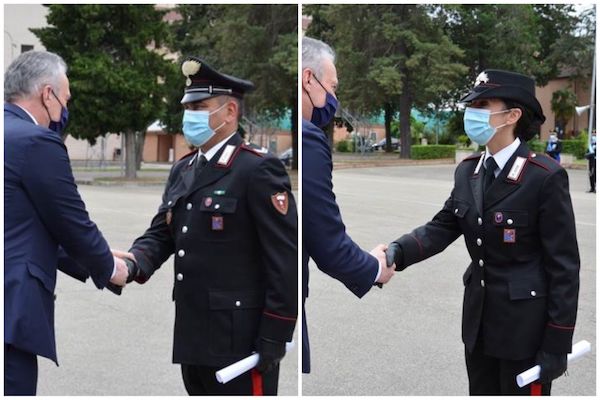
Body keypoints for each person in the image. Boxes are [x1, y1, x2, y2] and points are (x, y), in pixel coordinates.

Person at [386, 69, 580, 395]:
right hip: (479, 328)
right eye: (472, 105)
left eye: (483, 105)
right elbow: (442, 226)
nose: (471, 113)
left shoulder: (543, 177)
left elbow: (564, 268)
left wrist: (557, 343)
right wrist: (397, 251)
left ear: (513, 115)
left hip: (525, 334)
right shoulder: (469, 171)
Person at [113, 56, 297, 395]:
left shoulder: (257, 169)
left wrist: (276, 334)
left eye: (199, 107)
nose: (190, 115)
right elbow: (162, 233)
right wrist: (132, 263)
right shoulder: (183, 169)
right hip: (194, 337)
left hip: (241, 342)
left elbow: (286, 260)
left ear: (230, 112)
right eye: (187, 107)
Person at [4, 51, 129, 395]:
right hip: (9, 310)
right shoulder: (36, 141)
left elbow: (22, 224)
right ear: (48, 94)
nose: (64, 110)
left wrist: (98, 256)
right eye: (65, 99)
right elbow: (71, 222)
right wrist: (110, 268)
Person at [301, 36, 395, 374]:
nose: (334, 98)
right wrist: (374, 268)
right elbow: (325, 239)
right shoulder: (307, 139)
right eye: (332, 86)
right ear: (308, 79)